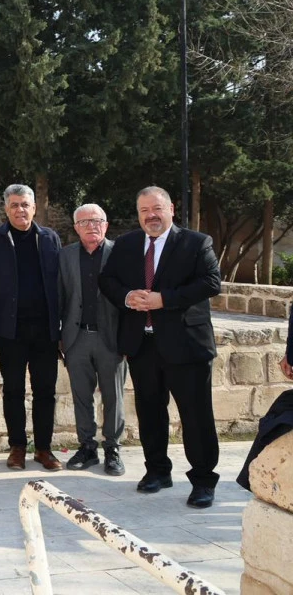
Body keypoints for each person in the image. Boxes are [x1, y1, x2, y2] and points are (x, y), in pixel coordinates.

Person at [100, 186, 223, 508]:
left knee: (196, 417)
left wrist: (163, 299)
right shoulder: (126, 244)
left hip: (186, 346)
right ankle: (157, 471)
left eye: (157, 209)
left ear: (171, 209)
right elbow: (107, 280)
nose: (151, 216)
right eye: (144, 211)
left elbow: (211, 282)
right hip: (143, 345)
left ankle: (203, 481)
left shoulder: (197, 243)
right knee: (150, 413)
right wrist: (127, 297)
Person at [0, 184, 63, 471]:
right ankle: (17, 447)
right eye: (15, 204)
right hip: (10, 330)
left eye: (25, 204)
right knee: (14, 390)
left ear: (34, 208)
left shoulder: (50, 238)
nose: (20, 209)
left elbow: (59, 284)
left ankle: (44, 449)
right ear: (6, 208)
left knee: (45, 390)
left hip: (44, 330)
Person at [58, 203, 126, 476]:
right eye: (84, 222)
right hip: (76, 338)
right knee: (81, 397)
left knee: (114, 397)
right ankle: (87, 447)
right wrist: (58, 338)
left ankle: (113, 448)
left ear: (106, 225)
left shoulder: (119, 254)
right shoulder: (65, 256)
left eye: (97, 221)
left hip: (111, 339)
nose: (91, 226)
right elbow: (59, 296)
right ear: (76, 228)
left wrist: (129, 341)